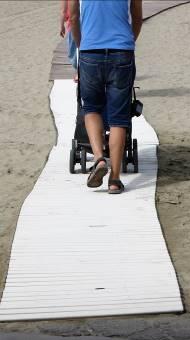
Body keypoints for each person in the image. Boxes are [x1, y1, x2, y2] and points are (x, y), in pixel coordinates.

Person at [69, 0, 143, 194]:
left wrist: (80, 44)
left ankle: (100, 159)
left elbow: (74, 17)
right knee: (119, 117)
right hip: (122, 51)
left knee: (91, 108)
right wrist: (128, 42)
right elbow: (137, 18)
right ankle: (115, 180)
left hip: (90, 50)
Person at [60, 0, 78, 81]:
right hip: (86, 24)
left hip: (73, 26)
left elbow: (63, 11)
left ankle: (78, 72)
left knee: (73, 52)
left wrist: (61, 26)